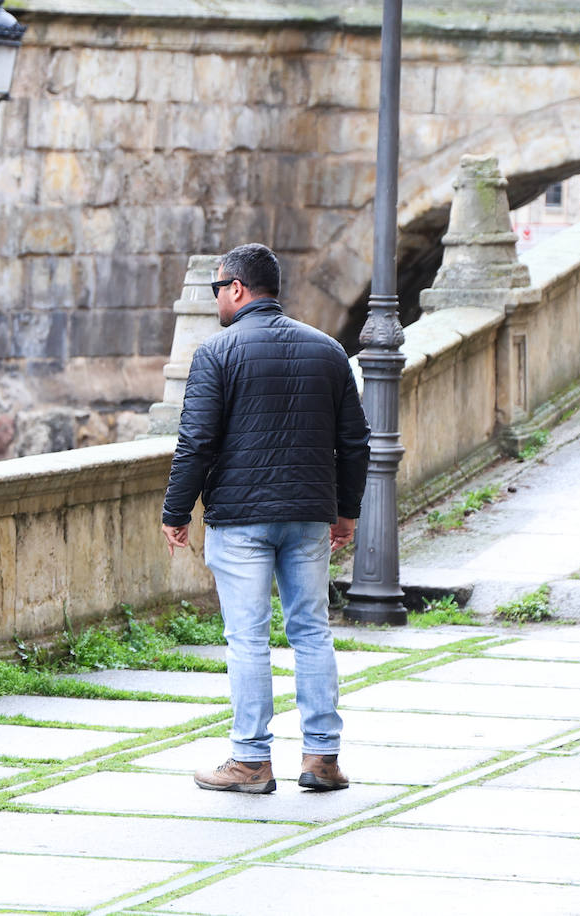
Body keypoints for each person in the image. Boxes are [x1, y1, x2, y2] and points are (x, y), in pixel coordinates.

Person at [161, 243, 370, 794]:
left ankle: (251, 761)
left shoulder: (216, 353)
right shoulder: (327, 351)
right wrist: (346, 510)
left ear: (236, 288)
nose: (216, 301)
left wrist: (175, 512)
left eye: (217, 290)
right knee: (311, 632)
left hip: (240, 517)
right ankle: (322, 758)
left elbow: (196, 442)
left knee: (248, 638)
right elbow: (354, 441)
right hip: (307, 515)